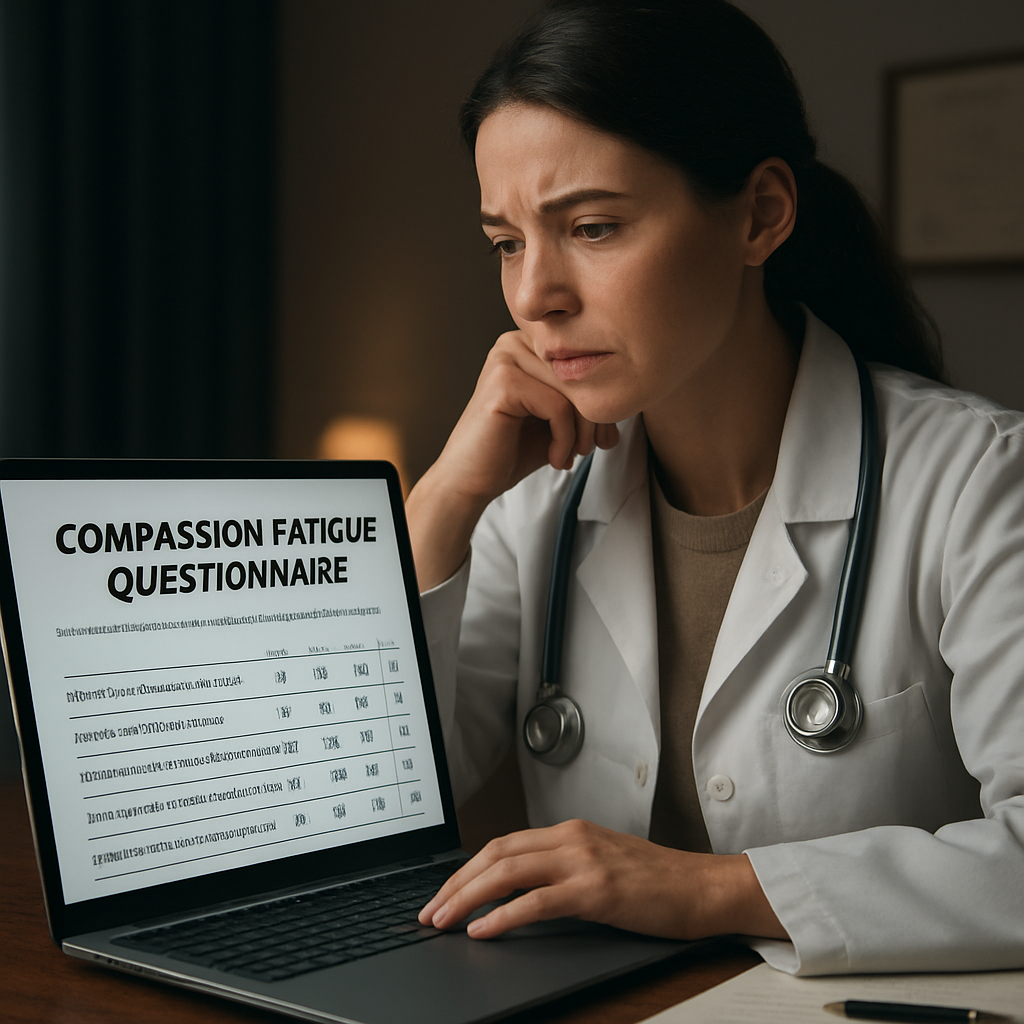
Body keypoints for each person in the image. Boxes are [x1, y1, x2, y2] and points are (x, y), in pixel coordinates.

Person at [406, 0, 1024, 976]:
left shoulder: (977, 480)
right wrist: (441, 498)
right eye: (507, 242)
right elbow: (372, 801)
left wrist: (702, 888)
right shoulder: (534, 506)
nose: (534, 295)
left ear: (760, 215)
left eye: (593, 226)